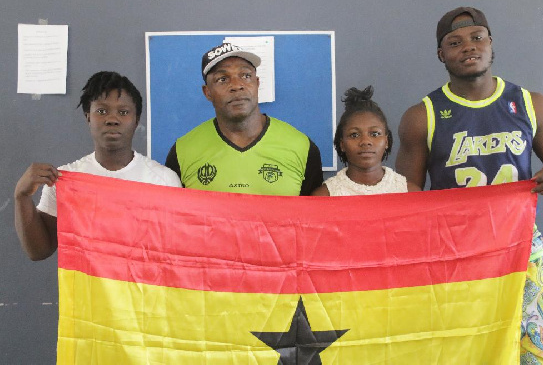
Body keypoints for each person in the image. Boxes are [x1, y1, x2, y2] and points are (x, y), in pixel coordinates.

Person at [395, 7, 543, 364]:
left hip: (520, 247)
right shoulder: (423, 115)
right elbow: (406, 195)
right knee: (461, 353)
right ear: (441, 54)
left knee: (534, 353)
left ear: (490, 43)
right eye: (455, 42)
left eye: (476, 37)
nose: (468, 47)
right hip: (455, 253)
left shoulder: (532, 104)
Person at [14, 71, 182, 261]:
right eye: (102, 111)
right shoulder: (64, 181)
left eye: (123, 112)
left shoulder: (163, 180)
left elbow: (174, 255)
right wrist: (22, 197)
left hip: (144, 290)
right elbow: (39, 251)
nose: (112, 119)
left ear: (136, 120)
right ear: (88, 117)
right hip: (85, 291)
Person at [165, 43, 323, 195]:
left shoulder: (301, 147)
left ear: (257, 83)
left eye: (246, 76)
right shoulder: (182, 151)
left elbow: (313, 219)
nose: (237, 85)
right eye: (222, 79)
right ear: (207, 93)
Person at [312, 85, 417, 196]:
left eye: (375, 134)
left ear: (386, 141)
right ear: (342, 144)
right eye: (354, 135)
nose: (365, 141)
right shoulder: (325, 196)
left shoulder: (410, 192)